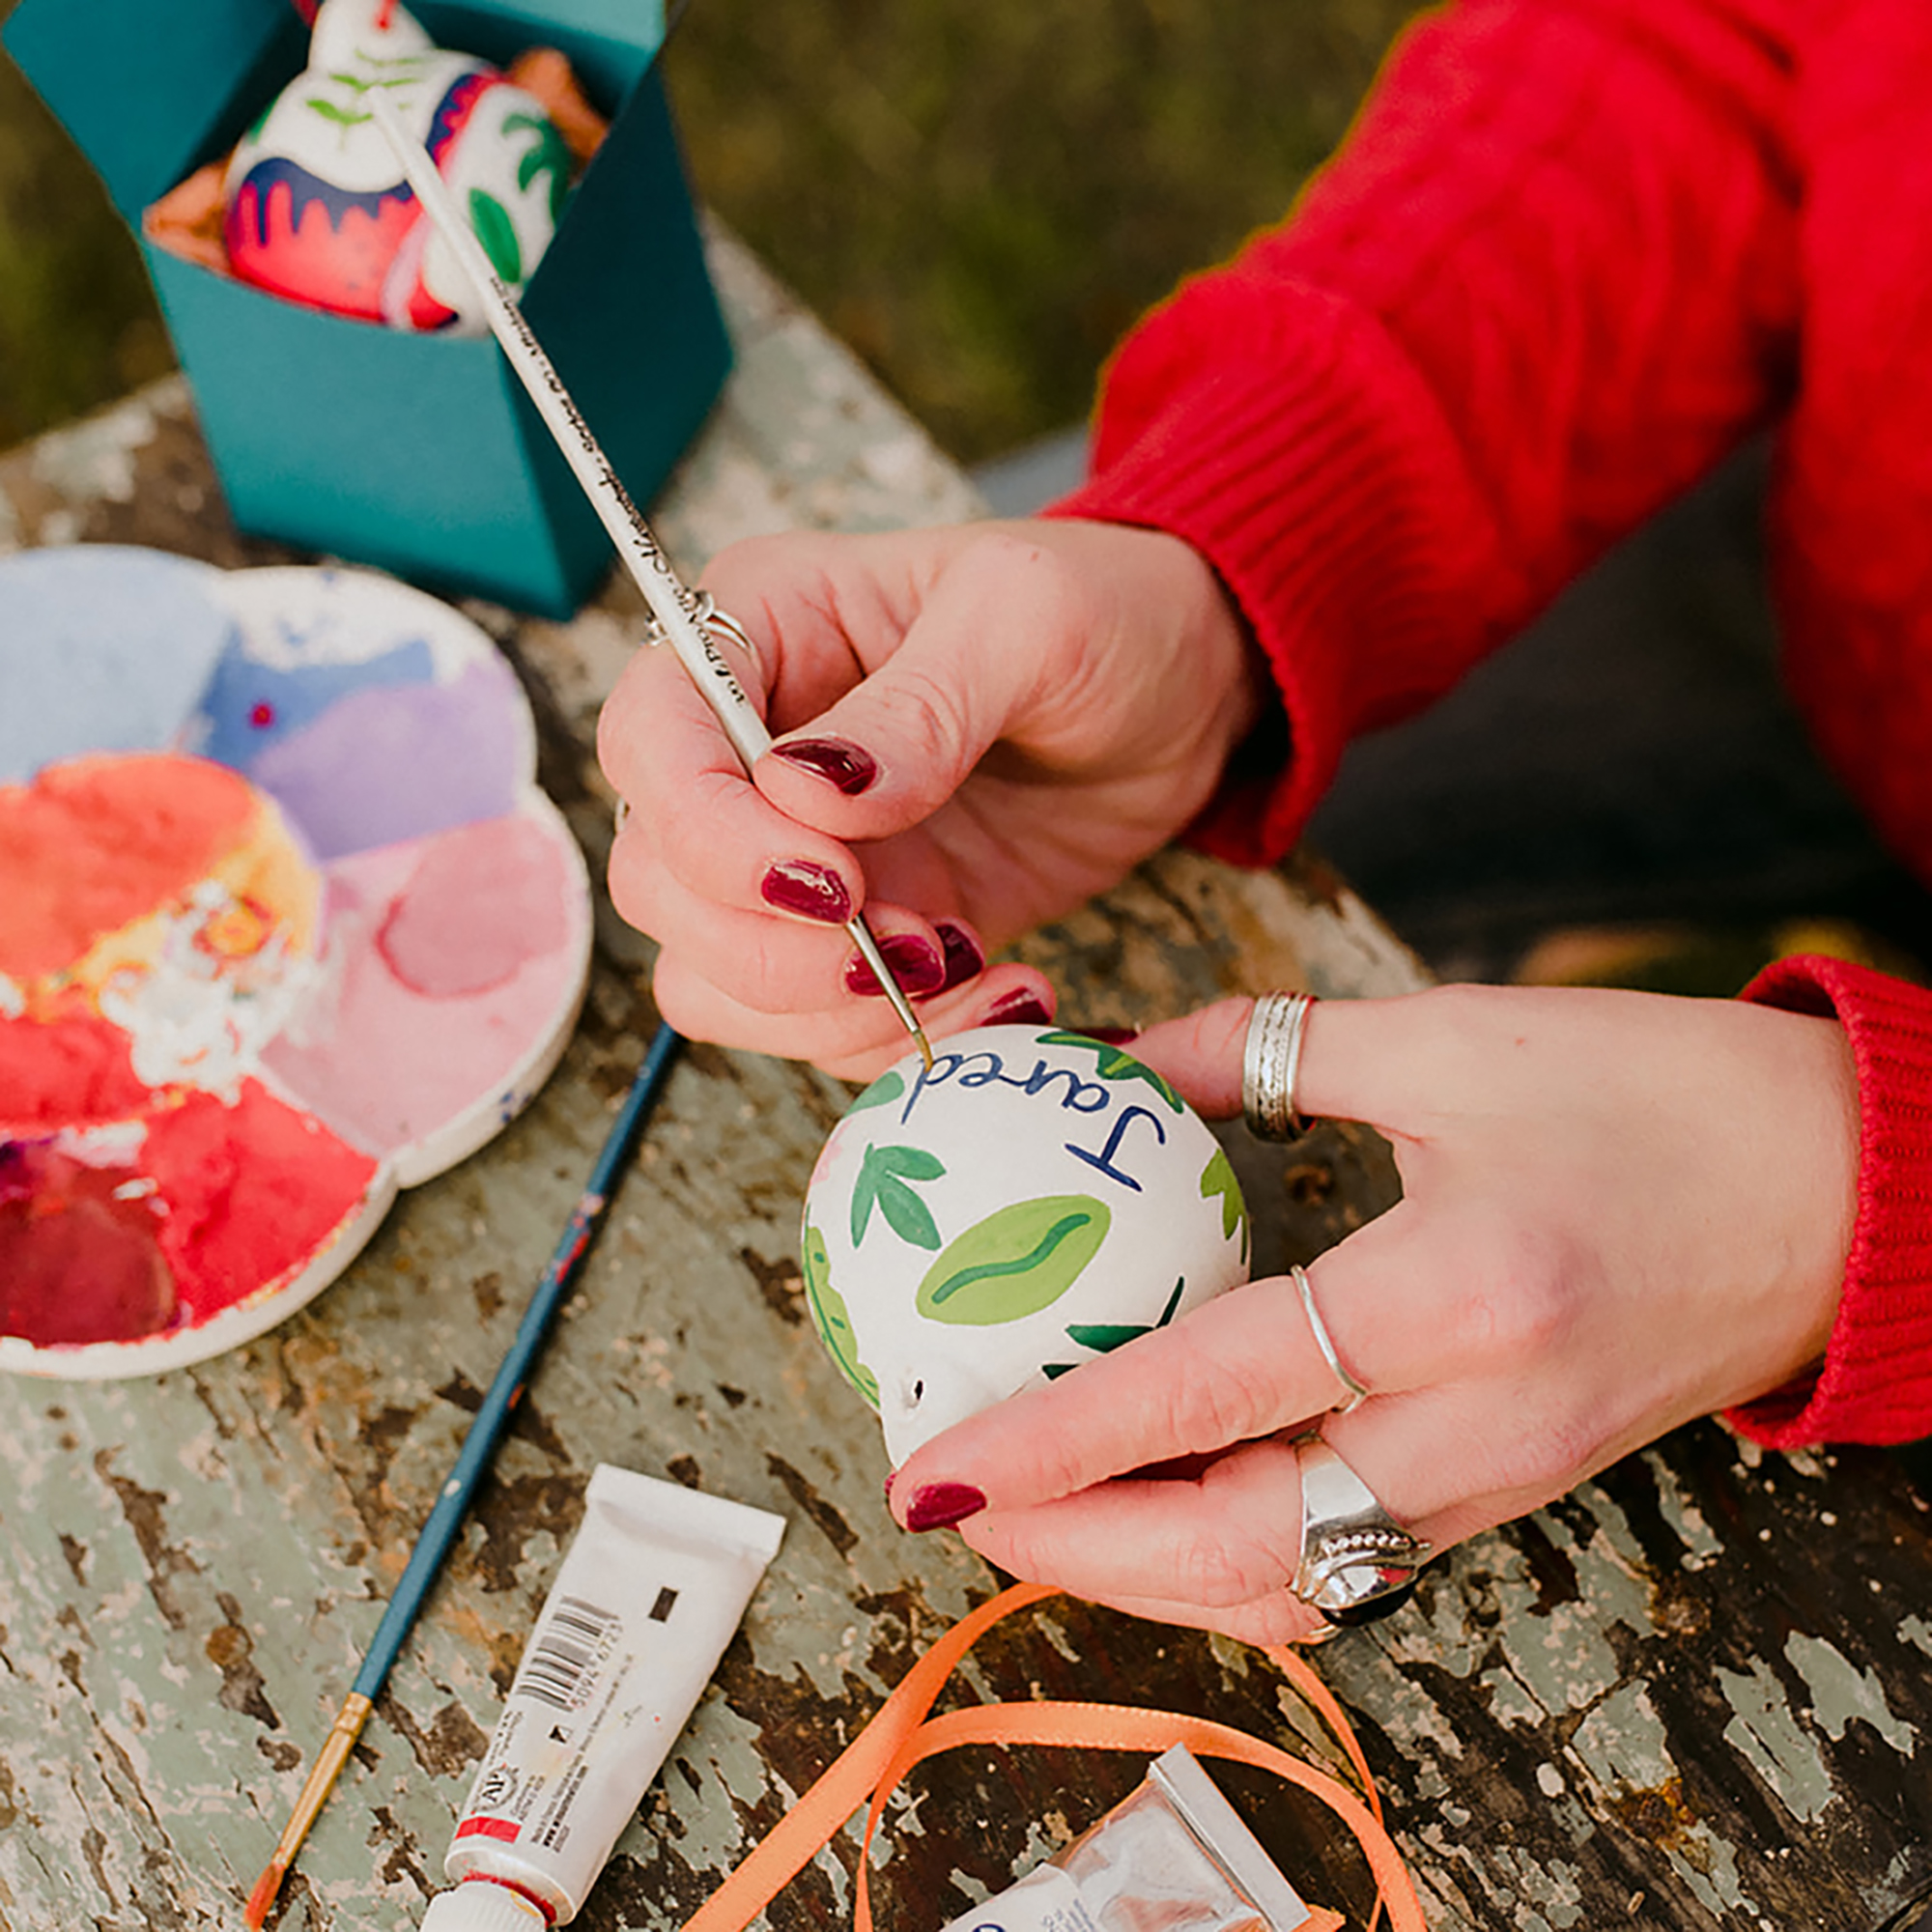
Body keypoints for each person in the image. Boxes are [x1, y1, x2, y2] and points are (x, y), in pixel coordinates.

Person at [596, 0, 1932, 1643]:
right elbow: (1718, 38)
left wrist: (1857, 1183)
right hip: (1859, 536)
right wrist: (1233, 558)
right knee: (1030, 499)